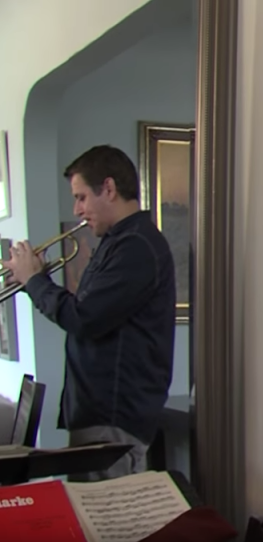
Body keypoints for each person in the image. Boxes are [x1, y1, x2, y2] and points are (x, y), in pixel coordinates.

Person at [2, 144, 176, 481]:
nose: (77, 209)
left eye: (81, 197)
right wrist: (35, 280)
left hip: (113, 417)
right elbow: (88, 313)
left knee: (106, 527)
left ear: (108, 189)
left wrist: (35, 280)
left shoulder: (136, 246)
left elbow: (82, 319)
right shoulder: (118, 242)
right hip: (99, 414)